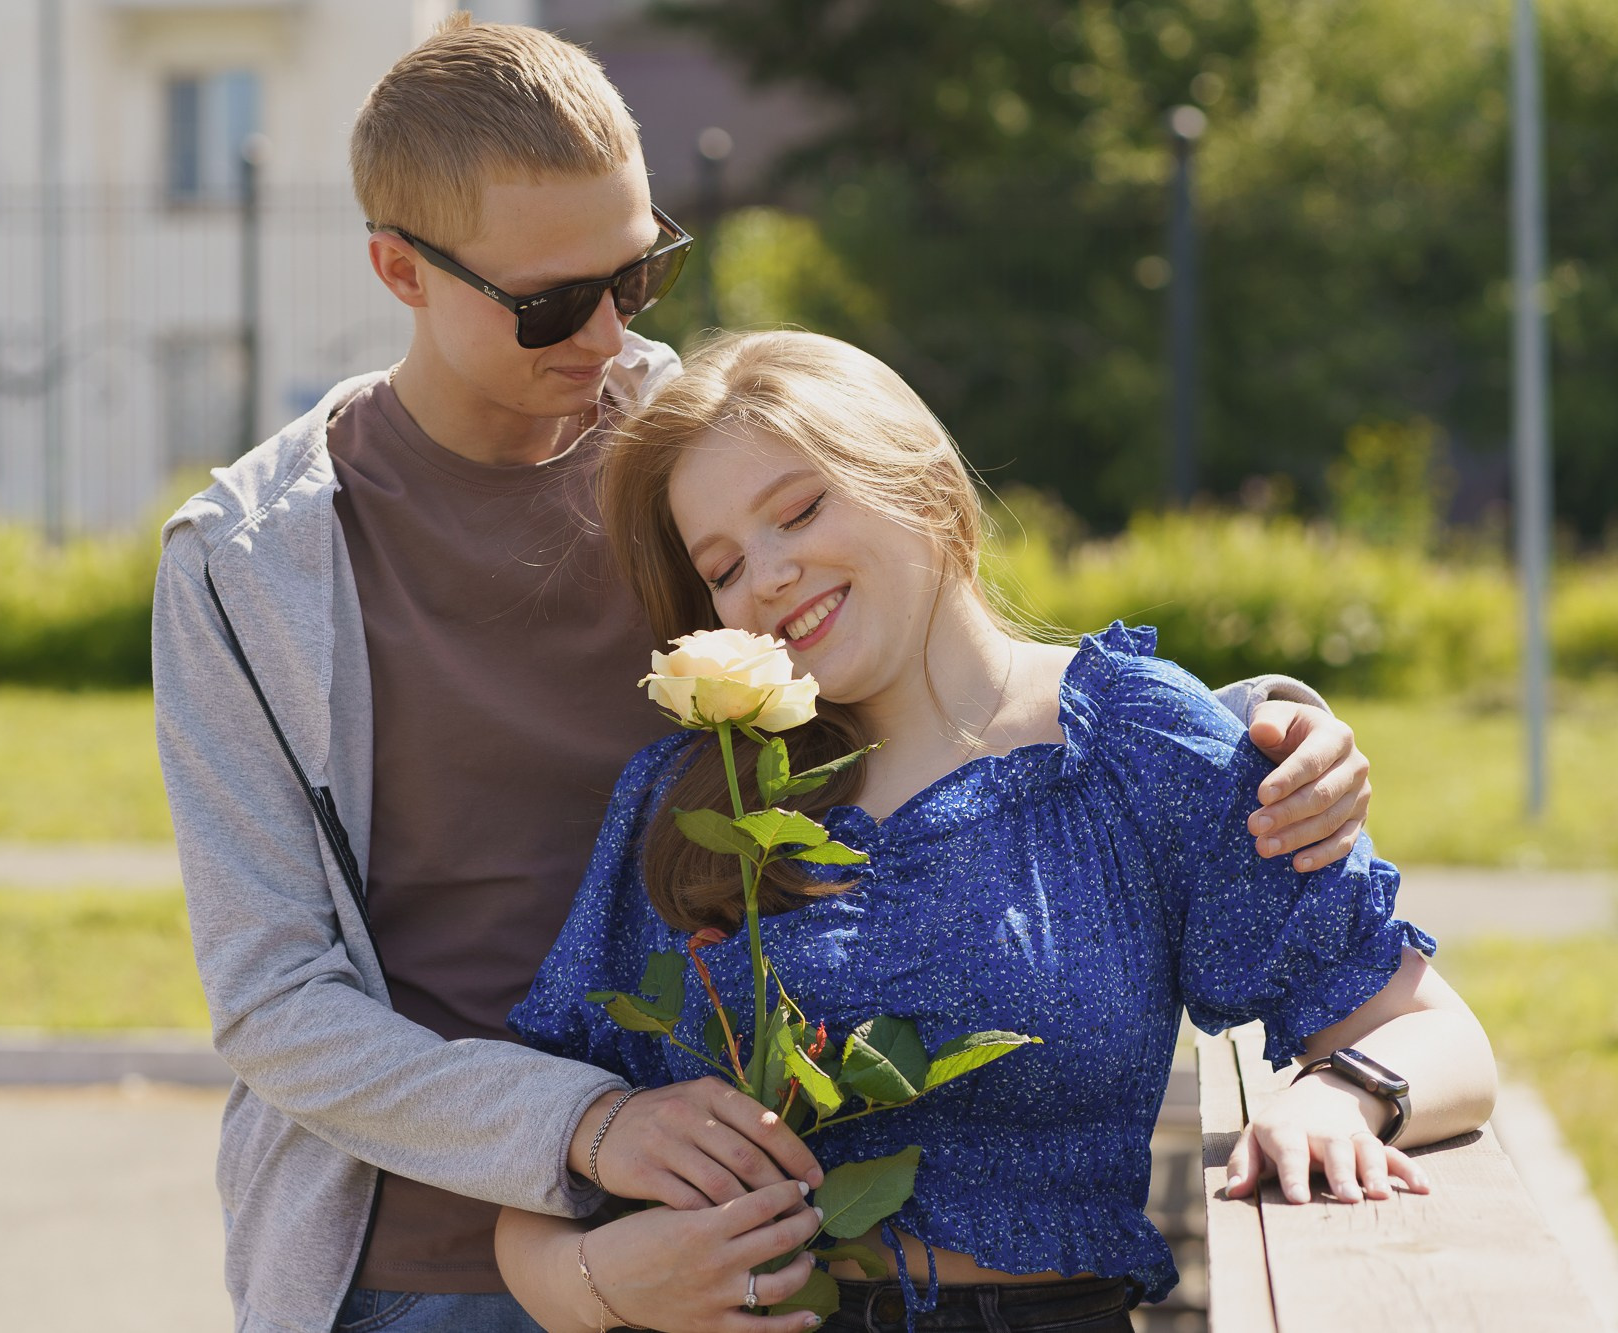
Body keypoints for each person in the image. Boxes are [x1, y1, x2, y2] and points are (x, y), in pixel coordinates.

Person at [152, 18, 1377, 1333]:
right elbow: (274, 998)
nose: (611, 331)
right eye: (555, 303)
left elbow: (925, 633)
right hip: (426, 1259)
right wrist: (592, 1126)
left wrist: (1238, 724)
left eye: (640, 272)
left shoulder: (702, 463)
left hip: (752, 1242)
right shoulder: (250, 564)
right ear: (402, 272)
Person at [499, 330, 1498, 1333]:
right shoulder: (693, 805)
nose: (764, 575)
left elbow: (1426, 1028)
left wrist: (1337, 1098)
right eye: (720, 568)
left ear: (925, 485)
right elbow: (534, 1175)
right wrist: (588, 1281)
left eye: (799, 510)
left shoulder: (1129, 743)